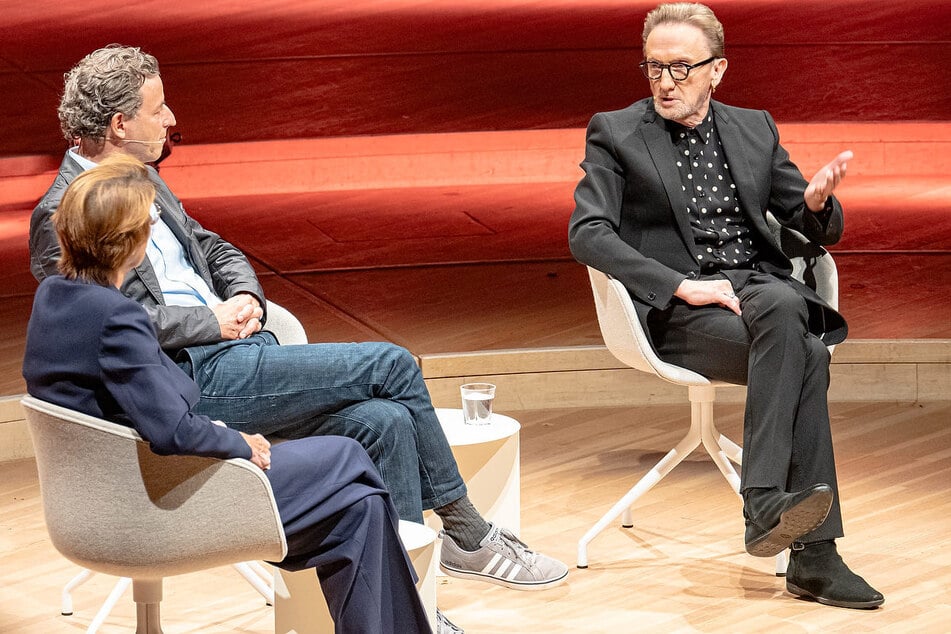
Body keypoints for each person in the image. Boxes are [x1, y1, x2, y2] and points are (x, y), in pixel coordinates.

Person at [29, 45, 568, 633]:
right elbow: (101, 322)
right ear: (120, 123)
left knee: (384, 420)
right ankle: (467, 532)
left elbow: (211, 247)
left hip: (238, 348)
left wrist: (246, 299)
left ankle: (411, 605)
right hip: (194, 378)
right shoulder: (65, 209)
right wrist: (213, 324)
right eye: (159, 109)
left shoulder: (143, 177)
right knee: (392, 364)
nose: (172, 119)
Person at [22, 154, 432, 633]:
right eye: (149, 221)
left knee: (359, 511)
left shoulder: (54, 298)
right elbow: (171, 429)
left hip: (103, 497)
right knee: (348, 455)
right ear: (130, 243)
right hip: (161, 500)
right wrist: (240, 442)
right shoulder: (117, 317)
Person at [569, 2, 883, 610]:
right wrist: (679, 285)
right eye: (654, 67)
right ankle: (804, 545)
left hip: (758, 297)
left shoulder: (753, 128)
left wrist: (816, 203)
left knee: (794, 329)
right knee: (799, 334)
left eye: (682, 68)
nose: (665, 82)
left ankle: (790, 532)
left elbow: (809, 221)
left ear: (718, 70)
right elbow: (588, 233)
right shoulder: (616, 131)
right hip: (683, 311)